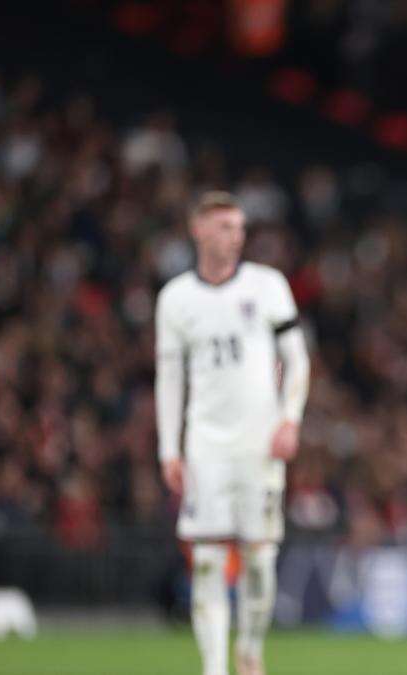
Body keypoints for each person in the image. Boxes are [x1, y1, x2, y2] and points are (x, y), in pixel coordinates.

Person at [154, 191, 310, 675]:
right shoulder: (176, 298)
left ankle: (249, 652)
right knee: (205, 561)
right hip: (205, 448)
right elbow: (170, 378)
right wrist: (169, 449)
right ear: (198, 229)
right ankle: (214, 668)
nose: (236, 236)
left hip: (259, 446)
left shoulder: (268, 286)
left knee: (259, 561)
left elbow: (297, 359)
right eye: (225, 227)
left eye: (240, 228)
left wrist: (290, 419)